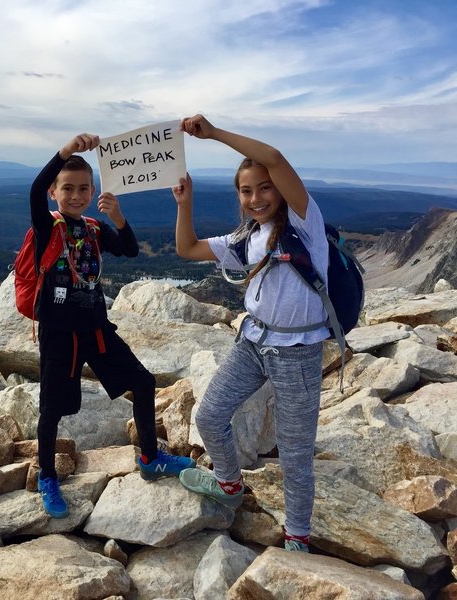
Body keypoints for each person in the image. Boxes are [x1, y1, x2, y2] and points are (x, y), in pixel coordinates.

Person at [172, 114, 329, 553]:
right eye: (247, 191)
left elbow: (275, 157)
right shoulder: (248, 237)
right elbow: (187, 249)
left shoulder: (304, 223)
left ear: (280, 190)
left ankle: (297, 536)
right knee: (208, 415)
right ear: (239, 197)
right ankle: (229, 485)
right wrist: (185, 203)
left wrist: (215, 134)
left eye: (264, 187)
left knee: (295, 454)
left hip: (298, 352)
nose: (257, 197)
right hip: (254, 342)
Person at [30, 133, 194, 518]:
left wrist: (117, 217)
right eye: (67, 188)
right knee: (52, 409)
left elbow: (130, 249)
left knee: (143, 383)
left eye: (83, 188)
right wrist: (65, 152)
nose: (76, 195)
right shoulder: (47, 227)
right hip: (59, 335)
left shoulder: (93, 228)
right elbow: (35, 188)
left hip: (96, 329)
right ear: (55, 192)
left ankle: (150, 459)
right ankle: (47, 475)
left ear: (92, 191)